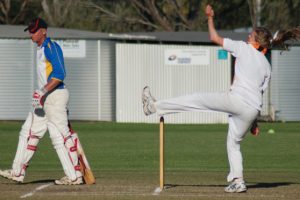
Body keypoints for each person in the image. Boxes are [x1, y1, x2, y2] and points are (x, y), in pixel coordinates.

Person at [142, 5, 300, 193]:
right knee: (234, 143)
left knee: (196, 99)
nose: (248, 37)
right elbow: (260, 93)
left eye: (251, 36)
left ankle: (153, 107)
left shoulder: (243, 48)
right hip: (251, 110)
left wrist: (210, 17)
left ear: (257, 43)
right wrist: (254, 122)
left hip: (237, 101)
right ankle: (239, 181)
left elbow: (214, 38)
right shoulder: (267, 66)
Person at [0, 18, 83, 185]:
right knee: (27, 132)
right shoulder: (39, 48)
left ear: (44, 31)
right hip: (45, 98)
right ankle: (17, 171)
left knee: (59, 135)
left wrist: (43, 91)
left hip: (55, 96)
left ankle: (74, 176)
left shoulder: (51, 48)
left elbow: (60, 74)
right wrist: (41, 93)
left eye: (35, 30)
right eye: (30, 30)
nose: (31, 33)